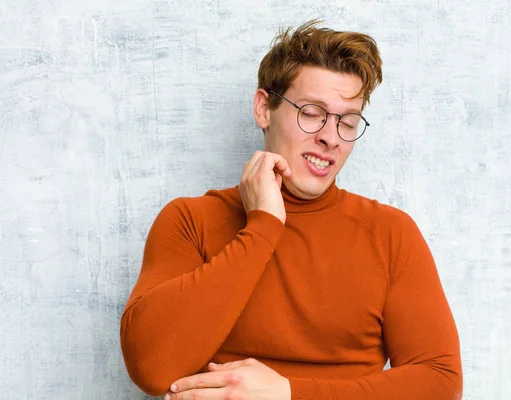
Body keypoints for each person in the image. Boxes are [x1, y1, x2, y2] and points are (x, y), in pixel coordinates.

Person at [120, 19, 462, 400]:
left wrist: (288, 393)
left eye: (348, 122)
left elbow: (440, 382)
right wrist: (263, 226)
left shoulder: (389, 233)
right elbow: (152, 368)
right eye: (312, 113)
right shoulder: (190, 221)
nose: (330, 137)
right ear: (264, 109)